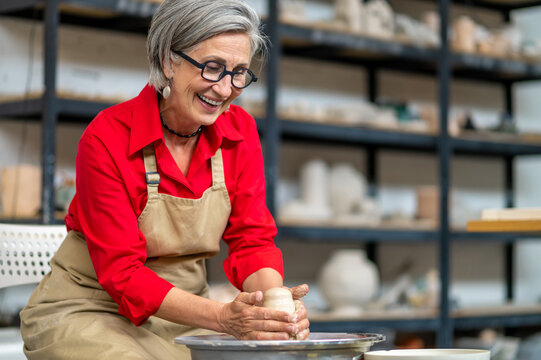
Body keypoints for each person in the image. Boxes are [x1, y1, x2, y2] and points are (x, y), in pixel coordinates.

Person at [19, 0, 310, 358]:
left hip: (187, 316)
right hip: (91, 309)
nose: (224, 89)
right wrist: (222, 316)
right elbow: (122, 273)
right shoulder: (107, 138)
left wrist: (272, 310)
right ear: (167, 61)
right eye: (213, 67)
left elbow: (251, 240)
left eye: (239, 73)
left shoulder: (240, 131)